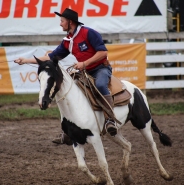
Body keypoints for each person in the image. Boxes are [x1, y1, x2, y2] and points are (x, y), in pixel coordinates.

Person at [14, 8, 117, 144]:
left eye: (62, 21)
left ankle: (110, 120)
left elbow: (103, 53)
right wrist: (25, 60)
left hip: (101, 69)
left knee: (100, 85)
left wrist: (84, 63)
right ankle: (68, 130)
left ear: (70, 22)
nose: (60, 24)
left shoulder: (89, 33)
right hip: (85, 72)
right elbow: (50, 57)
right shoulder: (68, 40)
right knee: (69, 92)